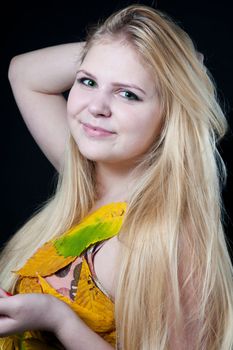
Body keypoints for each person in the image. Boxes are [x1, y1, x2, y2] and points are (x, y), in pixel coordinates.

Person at [0, 4, 233, 350]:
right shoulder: (86, 180)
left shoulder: (168, 241)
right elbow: (23, 73)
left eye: (128, 94)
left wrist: (60, 320)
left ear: (170, 114)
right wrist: (119, 47)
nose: (97, 106)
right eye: (88, 81)